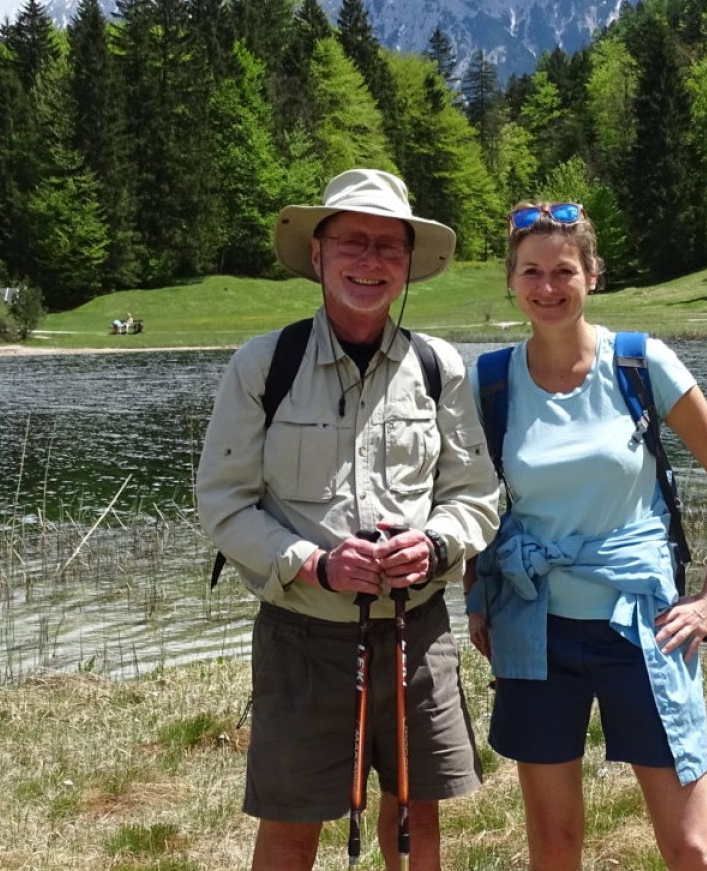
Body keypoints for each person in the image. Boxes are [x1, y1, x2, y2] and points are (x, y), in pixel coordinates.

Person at [196, 168, 501, 871]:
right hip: (301, 637)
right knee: (290, 828)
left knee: (416, 820)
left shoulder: (438, 367)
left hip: (417, 634)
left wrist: (435, 544)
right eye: (353, 244)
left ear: (407, 265)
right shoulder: (264, 365)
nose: (370, 262)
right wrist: (314, 562)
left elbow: (476, 494)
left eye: (388, 248)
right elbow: (223, 503)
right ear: (318, 255)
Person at [466, 201, 707, 871]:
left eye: (563, 269)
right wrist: (477, 595)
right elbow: (476, 502)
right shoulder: (490, 381)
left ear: (593, 275)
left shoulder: (639, 363)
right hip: (534, 625)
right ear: (511, 282)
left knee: (691, 849)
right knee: (555, 844)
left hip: (642, 622)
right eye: (531, 272)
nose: (548, 287)